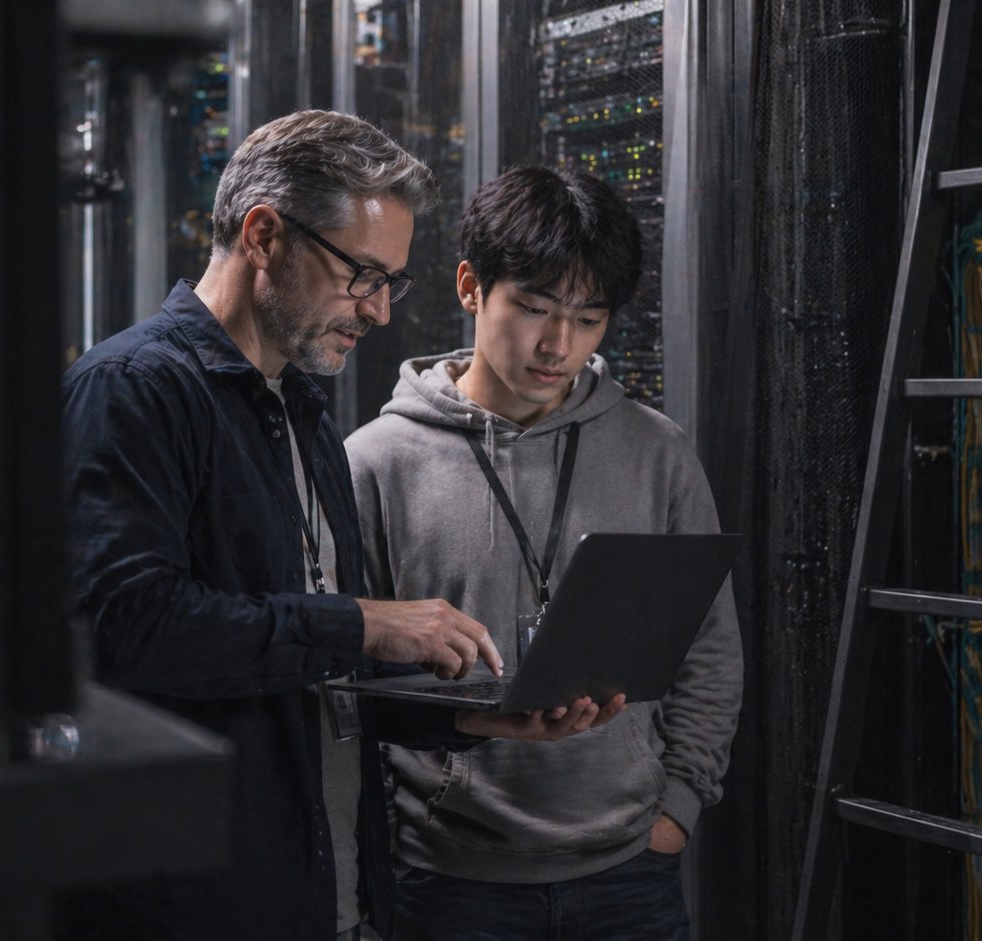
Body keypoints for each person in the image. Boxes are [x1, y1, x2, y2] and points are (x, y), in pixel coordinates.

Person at [61, 111, 621, 941]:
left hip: (332, 893)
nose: (380, 310)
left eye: (391, 282)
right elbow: (121, 627)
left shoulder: (304, 413)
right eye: (363, 274)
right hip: (199, 902)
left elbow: (307, 685)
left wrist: (468, 717)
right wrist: (364, 621)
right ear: (263, 235)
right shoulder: (132, 389)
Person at [345, 165, 743, 940]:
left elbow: (710, 647)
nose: (557, 344)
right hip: (449, 881)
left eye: (589, 318)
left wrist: (680, 810)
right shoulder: (375, 462)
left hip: (632, 868)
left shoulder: (656, 451)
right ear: (470, 287)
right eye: (532, 307)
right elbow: (347, 681)